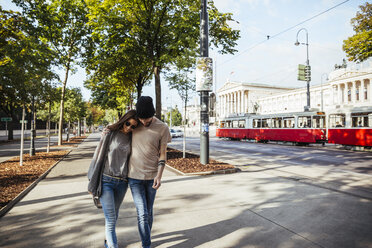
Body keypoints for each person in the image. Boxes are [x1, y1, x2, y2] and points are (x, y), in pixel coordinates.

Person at [87, 110, 138, 248]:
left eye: (133, 126)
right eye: (128, 124)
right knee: (110, 218)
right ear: (124, 120)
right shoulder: (110, 133)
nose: (129, 128)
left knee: (113, 216)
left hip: (122, 183)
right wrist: (92, 183)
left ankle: (108, 241)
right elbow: (98, 157)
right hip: (106, 181)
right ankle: (112, 245)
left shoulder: (133, 137)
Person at [128, 96, 171, 248]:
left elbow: (163, 154)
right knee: (143, 214)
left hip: (152, 176)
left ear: (153, 113)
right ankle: (146, 245)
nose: (144, 122)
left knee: (149, 212)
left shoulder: (162, 127)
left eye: (148, 119)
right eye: (142, 118)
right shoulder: (133, 124)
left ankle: (146, 238)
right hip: (134, 176)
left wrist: (159, 176)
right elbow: (117, 132)